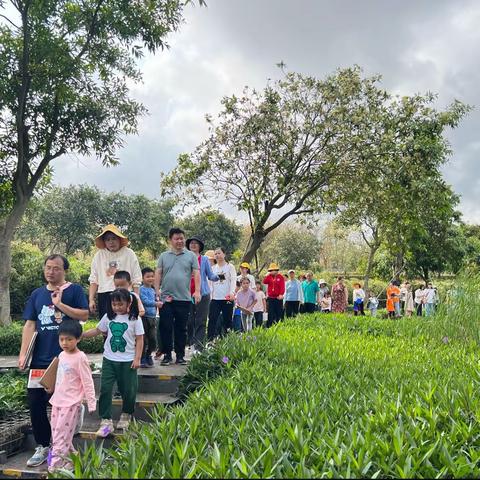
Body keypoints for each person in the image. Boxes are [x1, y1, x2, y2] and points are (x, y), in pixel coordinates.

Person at [18, 254, 88, 468]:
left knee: (64, 402)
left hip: (65, 359)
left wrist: (60, 304)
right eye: (48, 267)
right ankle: (43, 445)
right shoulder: (37, 294)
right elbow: (30, 324)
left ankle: (64, 443)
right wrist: (23, 354)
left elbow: (84, 315)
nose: (51, 272)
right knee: (36, 403)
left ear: (64, 270)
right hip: (39, 360)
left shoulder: (74, 290)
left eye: (56, 268)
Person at [83, 288, 144, 436]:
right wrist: (81, 335)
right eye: (114, 304)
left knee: (128, 390)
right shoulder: (109, 317)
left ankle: (126, 414)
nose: (117, 307)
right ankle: (106, 421)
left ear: (129, 303)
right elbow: (97, 330)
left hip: (128, 361)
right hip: (109, 360)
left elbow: (140, 339)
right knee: (105, 389)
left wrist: (137, 358)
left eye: (120, 304)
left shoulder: (135, 319)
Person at [47, 321, 96, 473]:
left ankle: (53, 469)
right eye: (62, 339)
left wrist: (91, 402)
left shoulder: (80, 358)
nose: (65, 343)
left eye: (69, 339)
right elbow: (60, 376)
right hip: (57, 400)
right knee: (57, 435)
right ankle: (73, 461)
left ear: (78, 338)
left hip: (71, 403)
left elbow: (87, 381)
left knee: (61, 437)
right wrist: (51, 386)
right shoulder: (61, 355)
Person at [155, 228, 201, 366]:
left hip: (184, 298)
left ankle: (180, 356)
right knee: (165, 326)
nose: (180, 241)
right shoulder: (164, 256)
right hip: (166, 298)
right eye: (177, 238)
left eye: (182, 238)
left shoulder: (191, 256)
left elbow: (196, 274)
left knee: (181, 328)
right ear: (170, 240)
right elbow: (158, 273)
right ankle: (167, 355)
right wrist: (156, 290)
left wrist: (197, 291)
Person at [89, 224, 142, 320]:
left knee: (127, 324)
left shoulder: (129, 253)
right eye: (107, 239)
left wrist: (137, 300)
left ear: (119, 239)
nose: (111, 242)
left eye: (113, 238)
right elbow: (94, 279)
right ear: (104, 242)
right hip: (105, 294)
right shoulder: (99, 255)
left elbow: (136, 278)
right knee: (107, 325)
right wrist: (91, 299)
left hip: (125, 294)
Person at [186, 236, 219, 352]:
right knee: (189, 321)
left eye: (196, 243)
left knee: (201, 320)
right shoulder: (184, 258)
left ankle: (198, 347)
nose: (193, 245)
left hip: (203, 294)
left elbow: (210, 275)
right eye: (191, 243)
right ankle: (191, 342)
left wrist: (219, 276)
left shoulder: (204, 259)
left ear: (200, 247)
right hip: (187, 294)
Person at [208, 247, 237, 340]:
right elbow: (209, 282)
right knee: (212, 319)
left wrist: (232, 293)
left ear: (224, 254)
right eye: (215, 254)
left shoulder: (230, 267)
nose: (217, 255)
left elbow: (233, 281)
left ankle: (229, 340)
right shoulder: (212, 268)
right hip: (215, 299)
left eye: (219, 253)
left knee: (227, 320)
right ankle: (210, 340)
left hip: (227, 298)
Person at [139, 267, 160, 367]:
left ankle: (148, 355)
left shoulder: (153, 290)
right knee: (143, 338)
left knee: (153, 339)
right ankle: (142, 358)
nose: (151, 278)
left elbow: (157, 299)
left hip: (152, 317)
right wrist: (156, 303)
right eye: (148, 277)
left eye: (152, 276)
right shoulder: (141, 289)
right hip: (144, 317)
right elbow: (144, 301)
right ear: (142, 278)